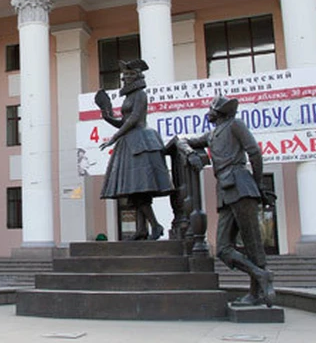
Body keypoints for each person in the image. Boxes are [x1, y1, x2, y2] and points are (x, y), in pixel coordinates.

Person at [176, 95, 276, 306]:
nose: (208, 112)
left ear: (220, 112)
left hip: (241, 185)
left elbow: (255, 153)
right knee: (222, 248)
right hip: (224, 188)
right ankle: (260, 274)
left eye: (211, 108)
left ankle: (256, 293)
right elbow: (182, 140)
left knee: (252, 244)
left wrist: (258, 184)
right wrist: (189, 153)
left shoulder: (235, 125)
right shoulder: (213, 134)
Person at [96, 59, 173, 240]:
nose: (126, 78)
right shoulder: (129, 96)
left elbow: (134, 120)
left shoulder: (140, 94)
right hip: (130, 142)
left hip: (141, 141)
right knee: (134, 190)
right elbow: (123, 122)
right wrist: (106, 115)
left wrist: (113, 138)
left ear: (138, 76)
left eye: (130, 74)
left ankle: (155, 225)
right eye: (125, 75)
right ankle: (142, 230)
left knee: (140, 188)